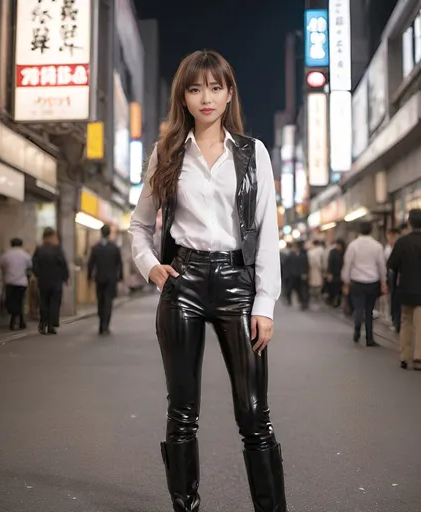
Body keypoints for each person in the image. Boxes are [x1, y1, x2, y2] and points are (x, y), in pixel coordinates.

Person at [129, 50, 287, 512]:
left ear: (229, 93)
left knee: (254, 413)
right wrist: (150, 266)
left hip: (239, 283)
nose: (206, 97)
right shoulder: (168, 152)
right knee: (182, 412)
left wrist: (264, 305)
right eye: (195, 88)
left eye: (215, 87)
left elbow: (268, 232)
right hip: (184, 284)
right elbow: (140, 225)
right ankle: (186, 505)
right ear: (184, 95)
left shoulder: (253, 153)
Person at [387, 209, 421, 371]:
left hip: (405, 289)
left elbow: (391, 265)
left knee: (406, 323)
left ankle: (404, 356)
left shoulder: (401, 242)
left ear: (409, 222)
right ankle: (419, 358)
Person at [342, 221, 387, 346]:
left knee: (358, 308)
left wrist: (346, 282)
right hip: (373, 281)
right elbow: (381, 266)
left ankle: (357, 329)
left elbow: (348, 265)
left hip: (356, 281)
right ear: (371, 230)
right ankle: (369, 338)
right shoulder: (377, 246)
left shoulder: (353, 245)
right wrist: (384, 282)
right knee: (369, 310)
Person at [32, 227, 69, 335]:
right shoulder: (57, 249)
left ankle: (43, 323)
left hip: (43, 280)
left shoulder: (39, 249)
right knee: (54, 303)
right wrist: (65, 277)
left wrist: (38, 274)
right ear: (53, 236)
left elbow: (34, 264)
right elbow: (63, 264)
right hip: (56, 280)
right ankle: (51, 326)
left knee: (44, 302)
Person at [87, 224, 123, 335]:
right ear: (109, 233)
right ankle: (105, 326)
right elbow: (119, 264)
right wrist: (120, 276)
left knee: (100, 301)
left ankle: (101, 324)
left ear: (101, 233)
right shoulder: (114, 248)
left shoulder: (95, 248)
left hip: (99, 278)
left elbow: (90, 264)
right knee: (108, 302)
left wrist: (89, 277)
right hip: (111, 279)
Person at [0, 238, 33, 330]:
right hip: (21, 282)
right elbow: (30, 266)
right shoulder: (25, 255)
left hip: (9, 281)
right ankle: (21, 322)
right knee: (20, 302)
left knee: (11, 302)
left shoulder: (6, 255)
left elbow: (1, 265)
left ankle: (13, 321)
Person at [284, 240, 309, 310]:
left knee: (301, 290)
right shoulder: (290, 255)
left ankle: (303, 303)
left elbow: (305, 265)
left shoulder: (303, 255)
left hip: (300, 275)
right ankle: (289, 300)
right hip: (292, 275)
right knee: (290, 289)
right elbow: (286, 265)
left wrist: (305, 273)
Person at [326, 239, 345, 308]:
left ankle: (338, 302)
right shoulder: (333, 252)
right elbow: (330, 263)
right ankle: (332, 300)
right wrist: (329, 273)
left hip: (342, 273)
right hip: (334, 273)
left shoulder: (344, 252)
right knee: (333, 288)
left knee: (340, 289)